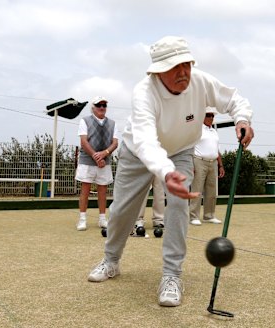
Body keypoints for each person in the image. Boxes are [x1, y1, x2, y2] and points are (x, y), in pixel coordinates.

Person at [87, 36, 254, 307]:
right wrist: (166, 173)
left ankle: (172, 275)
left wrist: (243, 119)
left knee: (179, 204)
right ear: (158, 71)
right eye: (174, 67)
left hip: (182, 150)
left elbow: (234, 99)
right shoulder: (144, 92)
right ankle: (111, 260)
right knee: (122, 210)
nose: (183, 72)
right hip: (137, 152)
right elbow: (145, 141)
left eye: (186, 64)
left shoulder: (200, 81)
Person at [75, 96, 119, 231]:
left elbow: (115, 143)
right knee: (85, 190)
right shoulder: (85, 121)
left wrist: (104, 154)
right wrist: (96, 156)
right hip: (87, 161)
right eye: (99, 105)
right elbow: (84, 141)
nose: (101, 107)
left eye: (104, 105)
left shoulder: (112, 123)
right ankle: (82, 219)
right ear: (93, 107)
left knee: (103, 191)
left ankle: (102, 219)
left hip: (104, 162)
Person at [189, 107, 225, 226]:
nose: (211, 118)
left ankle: (209, 215)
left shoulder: (214, 132)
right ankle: (193, 216)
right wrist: (191, 163)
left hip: (213, 162)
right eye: (208, 115)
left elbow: (216, 149)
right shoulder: (197, 130)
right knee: (197, 189)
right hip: (199, 161)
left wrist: (221, 165)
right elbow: (190, 147)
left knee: (212, 191)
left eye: (212, 116)